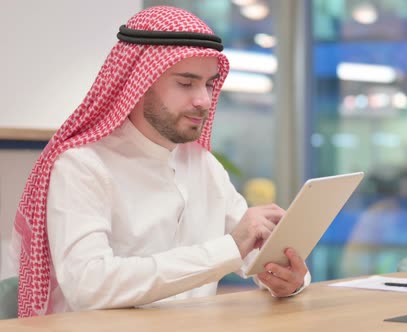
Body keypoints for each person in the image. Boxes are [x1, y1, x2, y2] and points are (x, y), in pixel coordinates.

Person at [10, 6, 310, 318]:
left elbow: (254, 254)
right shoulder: (82, 166)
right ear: (139, 83)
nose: (204, 100)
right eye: (186, 83)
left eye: (209, 84)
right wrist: (231, 248)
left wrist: (288, 278)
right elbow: (88, 286)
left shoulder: (203, 165)